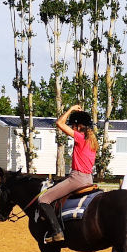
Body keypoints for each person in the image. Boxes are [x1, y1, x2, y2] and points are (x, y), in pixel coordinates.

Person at [37, 104, 98, 243]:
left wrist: (70, 109)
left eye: (74, 125)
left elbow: (59, 123)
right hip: (88, 178)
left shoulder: (80, 138)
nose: (72, 128)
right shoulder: (93, 141)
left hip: (77, 178)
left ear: (78, 126)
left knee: (43, 200)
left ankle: (57, 232)